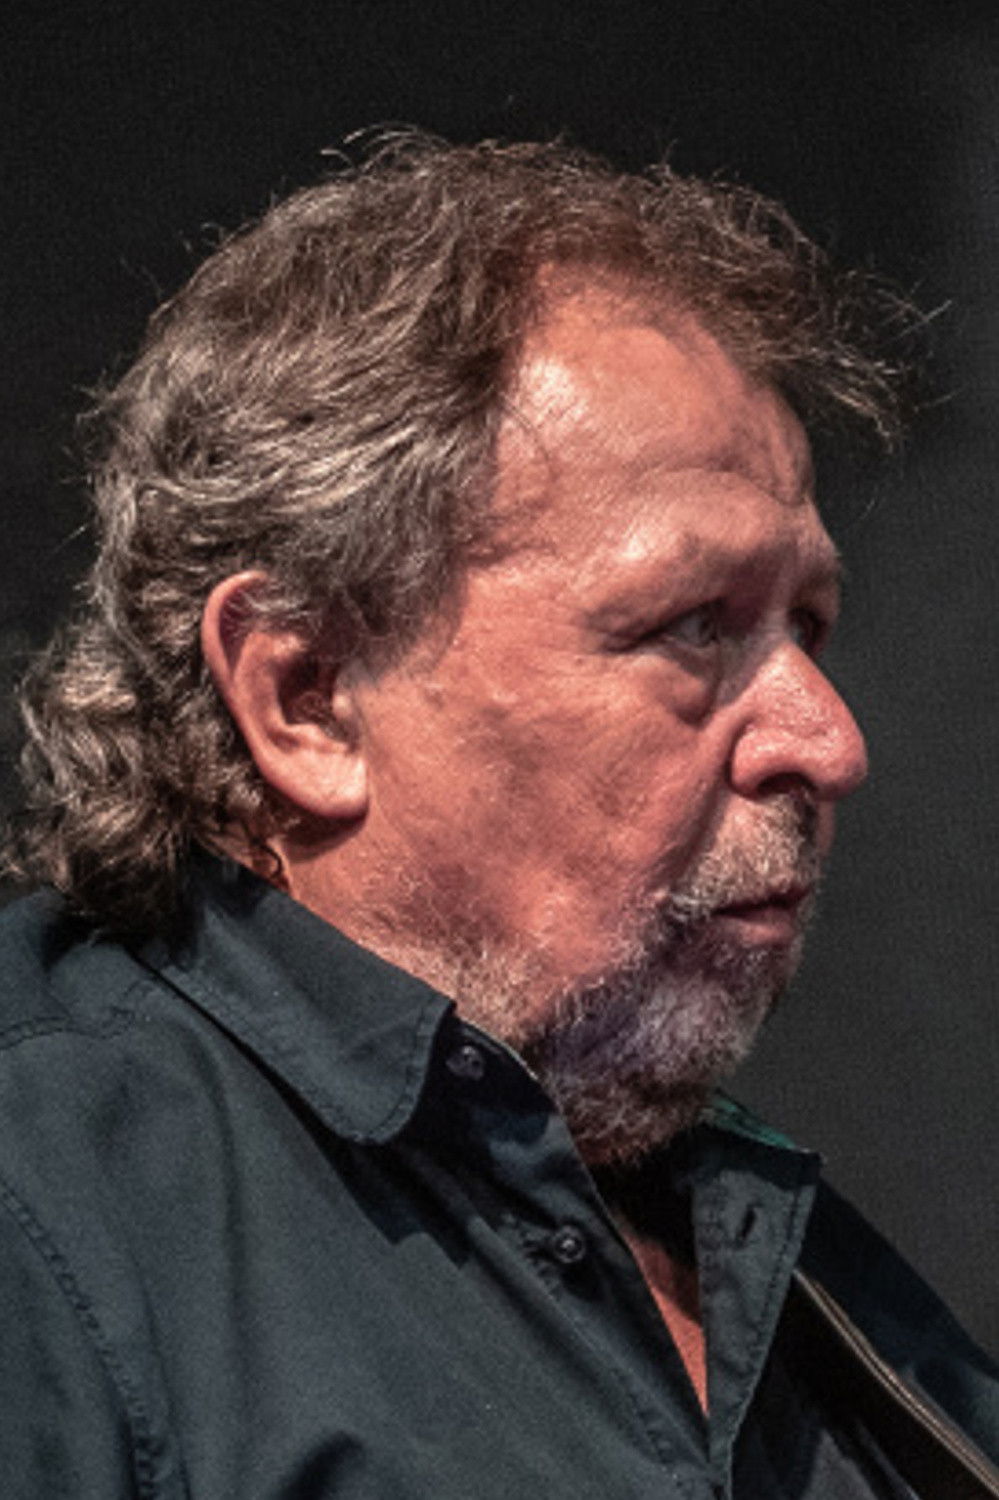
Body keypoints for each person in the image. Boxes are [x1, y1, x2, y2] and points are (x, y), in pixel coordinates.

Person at [1, 134, 996, 1500]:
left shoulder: (781, 1254)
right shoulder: (44, 1205)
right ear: (308, 697)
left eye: (808, 625)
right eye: (695, 625)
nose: (828, 741)